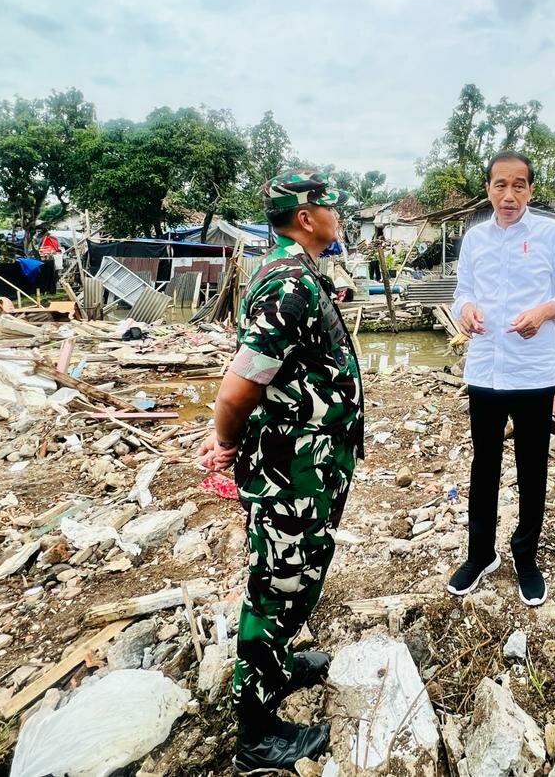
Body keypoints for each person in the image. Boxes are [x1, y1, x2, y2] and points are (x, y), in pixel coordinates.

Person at [197, 170, 364, 773]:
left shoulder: (302, 272)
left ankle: (278, 664)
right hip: (291, 470)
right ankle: (257, 732)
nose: (338, 215)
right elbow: (239, 387)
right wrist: (223, 439)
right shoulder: (288, 282)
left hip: (310, 464)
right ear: (305, 217)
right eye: (330, 206)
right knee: (278, 585)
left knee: (299, 572)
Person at [448, 150, 555, 607]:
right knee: (483, 465)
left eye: (519, 185)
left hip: (533, 372)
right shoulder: (475, 238)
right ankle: (480, 554)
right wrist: (466, 309)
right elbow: (462, 291)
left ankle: (526, 556)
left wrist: (544, 311)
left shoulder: (551, 234)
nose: (509, 195)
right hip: (486, 368)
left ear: (530, 190)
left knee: (532, 466)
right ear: (488, 188)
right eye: (500, 185)